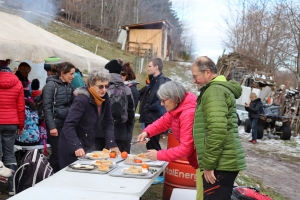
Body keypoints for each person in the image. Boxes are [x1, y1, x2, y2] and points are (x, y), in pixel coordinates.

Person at [191, 56, 246, 200]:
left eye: (195, 76)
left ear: (207, 72)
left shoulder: (214, 91)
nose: (194, 80)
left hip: (220, 164)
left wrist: (209, 165)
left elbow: (217, 130)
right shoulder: (217, 89)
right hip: (223, 162)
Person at [137, 81, 200, 187]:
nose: (161, 104)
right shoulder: (178, 107)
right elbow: (163, 122)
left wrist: (159, 155)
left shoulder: (188, 114)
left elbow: (186, 148)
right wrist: (147, 132)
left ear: (174, 98)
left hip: (206, 162)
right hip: (200, 161)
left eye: (163, 100)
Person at [59, 68, 120, 168]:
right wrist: (76, 146)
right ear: (91, 85)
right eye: (100, 86)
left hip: (87, 143)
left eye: (106, 86)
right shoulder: (81, 100)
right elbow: (68, 125)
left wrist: (111, 143)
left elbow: (108, 122)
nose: (104, 89)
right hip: (70, 145)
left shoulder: (105, 99)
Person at [139, 57, 170, 183]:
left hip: (155, 118)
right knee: (150, 144)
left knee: (154, 144)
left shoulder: (161, 82)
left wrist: (149, 108)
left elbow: (161, 100)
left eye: (150, 66)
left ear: (156, 67)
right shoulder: (153, 81)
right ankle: (155, 171)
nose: (148, 68)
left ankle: (160, 173)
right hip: (149, 117)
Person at [43, 62, 75, 173]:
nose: (73, 76)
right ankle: (48, 175)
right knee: (57, 153)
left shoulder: (69, 86)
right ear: (62, 73)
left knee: (65, 152)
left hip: (65, 125)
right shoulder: (51, 85)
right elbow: (46, 107)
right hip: (55, 125)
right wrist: (52, 127)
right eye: (71, 74)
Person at [0, 60, 24, 195]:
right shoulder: (17, 82)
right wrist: (21, 125)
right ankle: (12, 187)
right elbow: (21, 108)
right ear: (8, 63)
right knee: (9, 154)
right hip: (11, 123)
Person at [104, 60, 135, 153]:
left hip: (102, 133)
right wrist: (128, 134)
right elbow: (131, 113)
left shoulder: (102, 87)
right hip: (120, 132)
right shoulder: (127, 90)